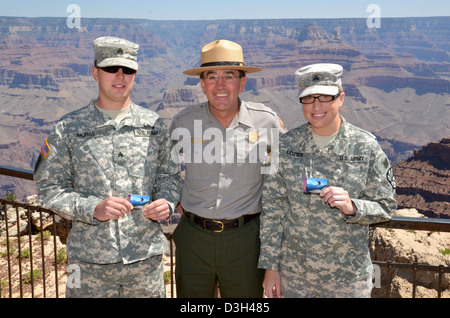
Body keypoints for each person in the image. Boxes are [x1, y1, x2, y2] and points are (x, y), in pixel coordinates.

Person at [33, 36, 181, 298]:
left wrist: (167, 202)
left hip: (145, 262)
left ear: (135, 75)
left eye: (128, 70)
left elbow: (169, 177)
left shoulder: (154, 125)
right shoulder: (69, 128)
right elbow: (49, 188)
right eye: (111, 68)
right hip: (90, 266)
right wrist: (93, 208)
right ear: (95, 72)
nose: (120, 76)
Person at [258, 63, 397, 298]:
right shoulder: (285, 146)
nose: (316, 106)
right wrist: (270, 268)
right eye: (309, 98)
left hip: (347, 279)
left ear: (341, 98)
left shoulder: (366, 147)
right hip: (295, 278)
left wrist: (354, 207)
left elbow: (386, 206)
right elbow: (273, 210)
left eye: (325, 97)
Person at [170, 39, 286, 298]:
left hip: (246, 241)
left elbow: (285, 179)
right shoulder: (184, 122)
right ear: (202, 84)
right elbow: (162, 169)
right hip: (193, 239)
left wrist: (272, 261)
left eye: (229, 76)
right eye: (212, 77)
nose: (220, 85)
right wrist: (175, 197)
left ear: (242, 82)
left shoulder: (265, 121)